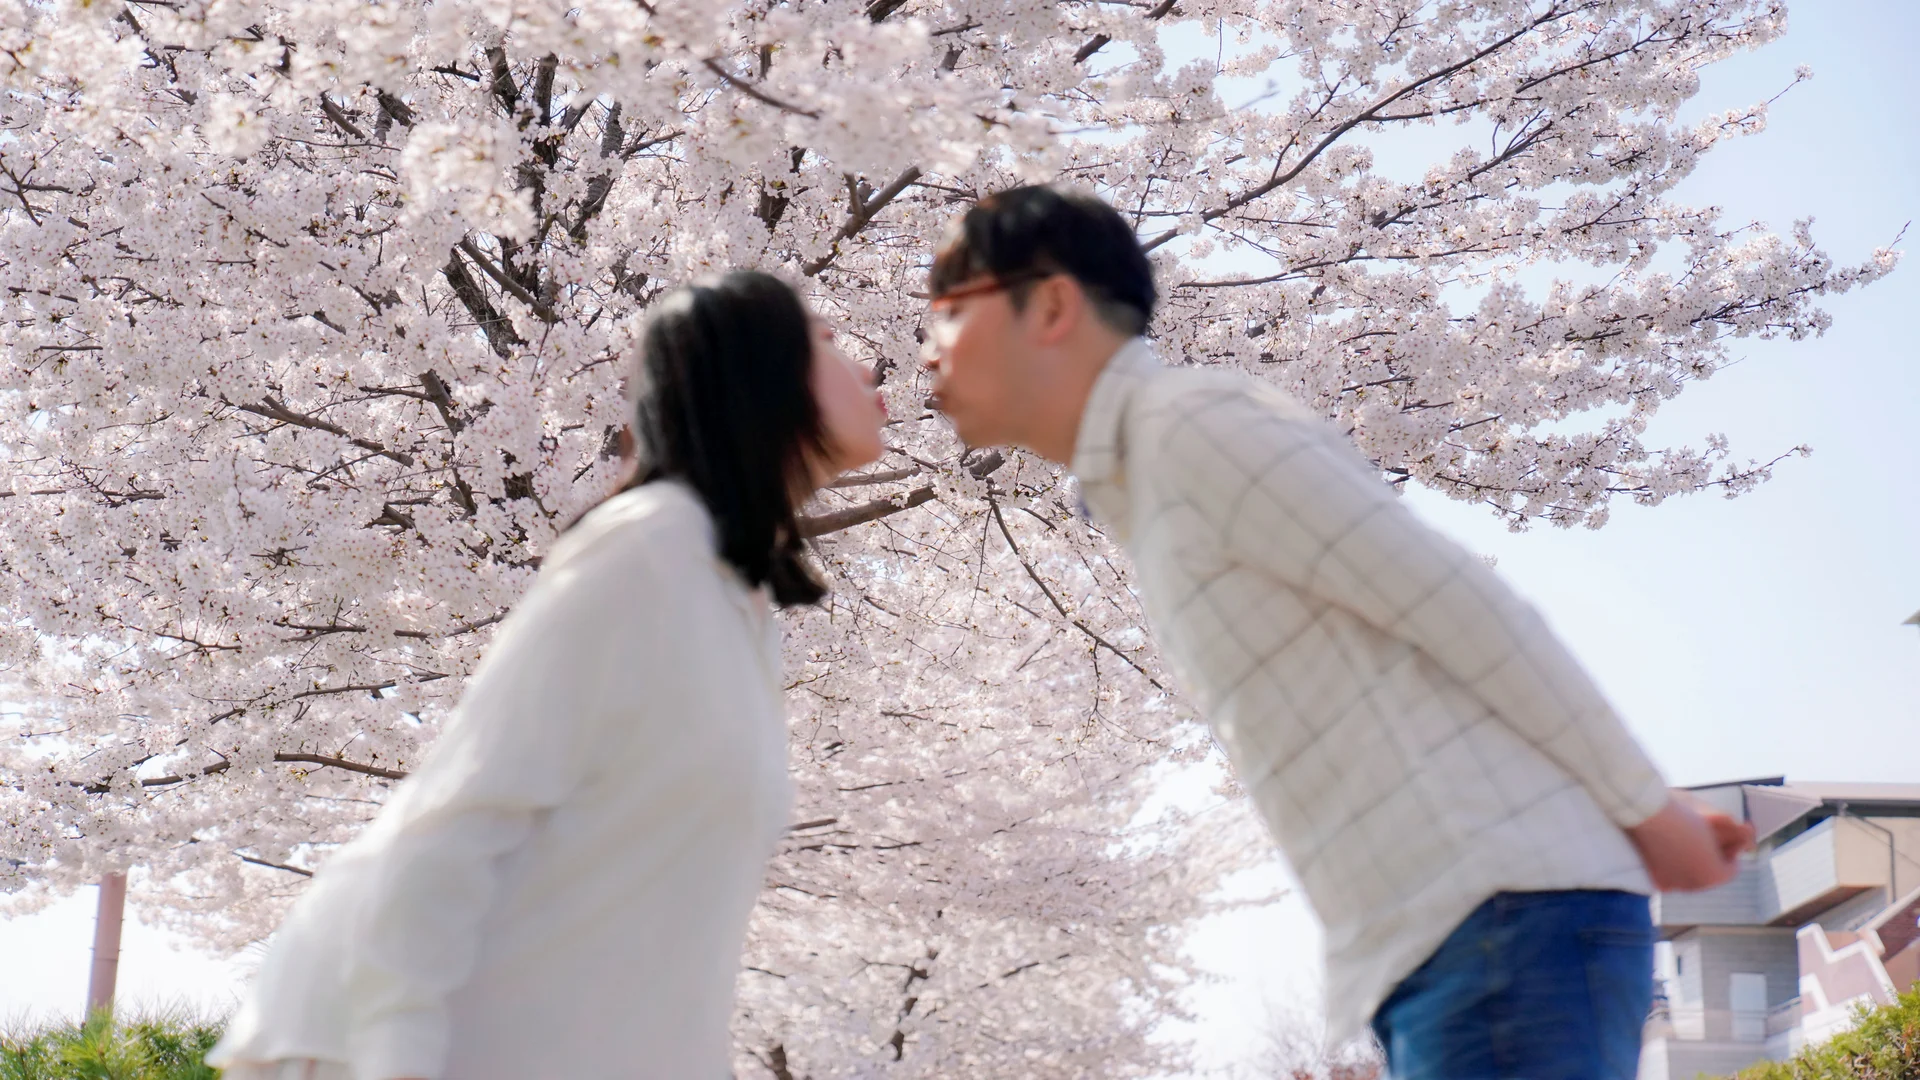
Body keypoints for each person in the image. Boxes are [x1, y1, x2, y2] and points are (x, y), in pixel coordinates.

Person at [919, 186, 1755, 1080]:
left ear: (1051, 304)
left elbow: (1459, 604)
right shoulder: (1145, 473)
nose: (928, 347)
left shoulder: (1186, 425)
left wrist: (1645, 808)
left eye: (950, 310)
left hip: (1498, 914)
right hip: (1459, 935)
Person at [207, 270, 887, 1080]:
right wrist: (397, 1055)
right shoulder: (649, 549)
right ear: (761, 373)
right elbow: (456, 818)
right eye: (829, 341)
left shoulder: (741, 601)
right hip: (388, 1031)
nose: (870, 367)